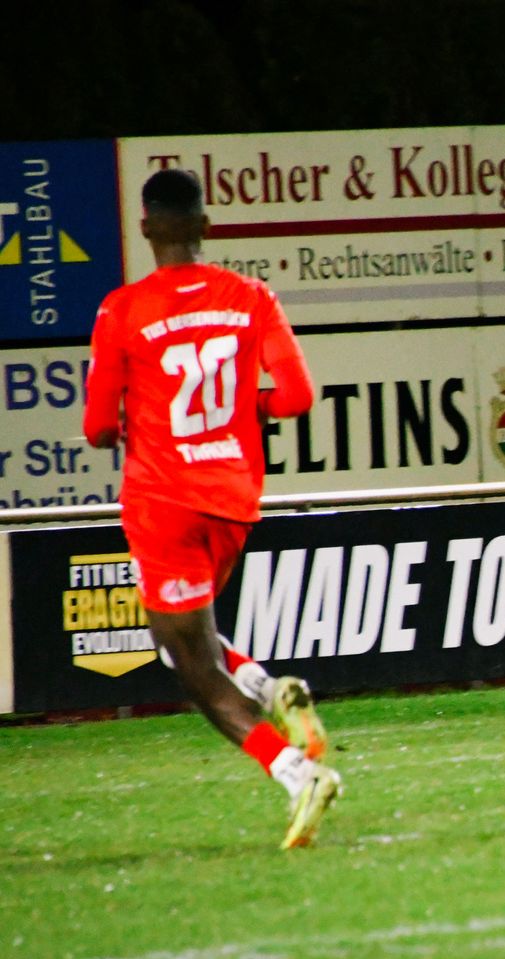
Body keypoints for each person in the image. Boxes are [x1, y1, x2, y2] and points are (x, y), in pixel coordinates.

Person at [84, 168, 342, 849]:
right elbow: (296, 397)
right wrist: (245, 409)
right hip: (231, 498)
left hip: (163, 499)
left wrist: (130, 424)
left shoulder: (122, 310)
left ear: (145, 227)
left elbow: (97, 427)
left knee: (191, 663)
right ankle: (269, 687)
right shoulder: (251, 297)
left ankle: (297, 773)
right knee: (182, 641)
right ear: (205, 225)